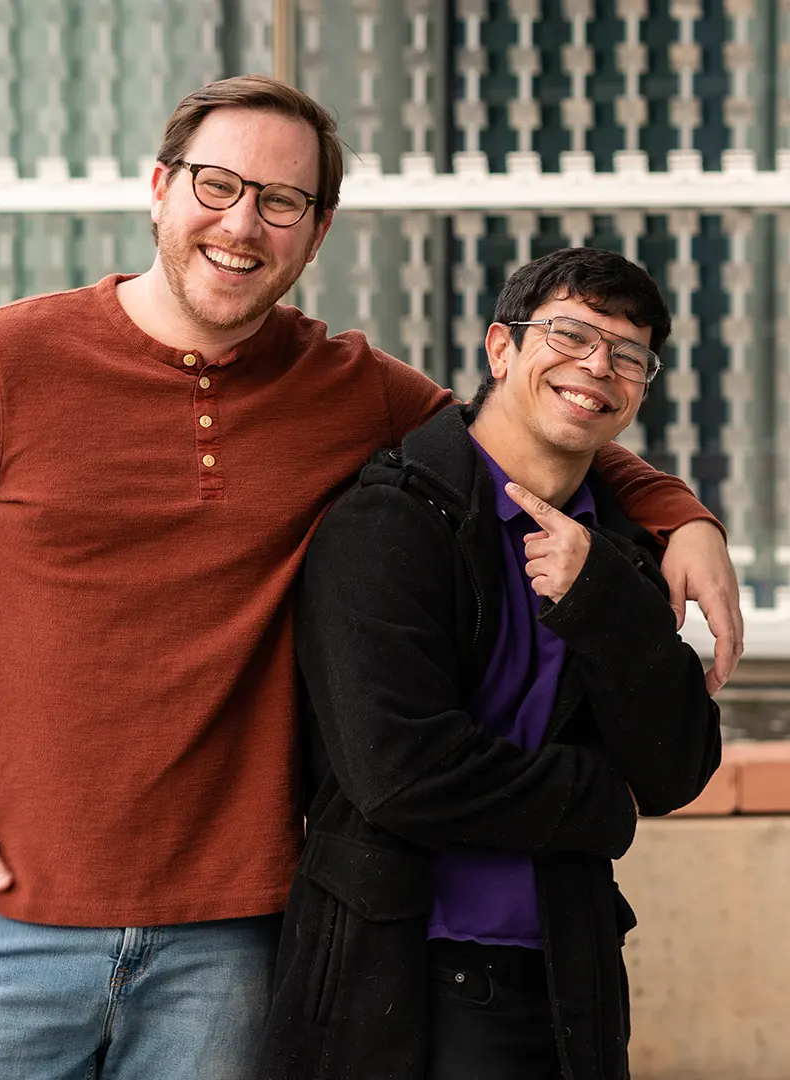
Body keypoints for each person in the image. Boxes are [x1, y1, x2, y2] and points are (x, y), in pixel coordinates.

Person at [0, 76, 740, 1080]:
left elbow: (519, 426)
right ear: (160, 189)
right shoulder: (0, 363)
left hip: (237, 939)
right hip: (12, 923)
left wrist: (675, 512)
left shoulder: (348, 387)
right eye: (218, 186)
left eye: (281, 202)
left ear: (316, 232)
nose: (242, 223)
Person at [258, 248, 722, 1080]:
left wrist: (605, 603)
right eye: (571, 334)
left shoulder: (618, 551)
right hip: (402, 978)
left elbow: (679, 765)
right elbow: (399, 773)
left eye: (628, 355)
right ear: (500, 350)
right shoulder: (387, 523)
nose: (597, 367)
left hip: (568, 974)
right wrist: (598, 801)